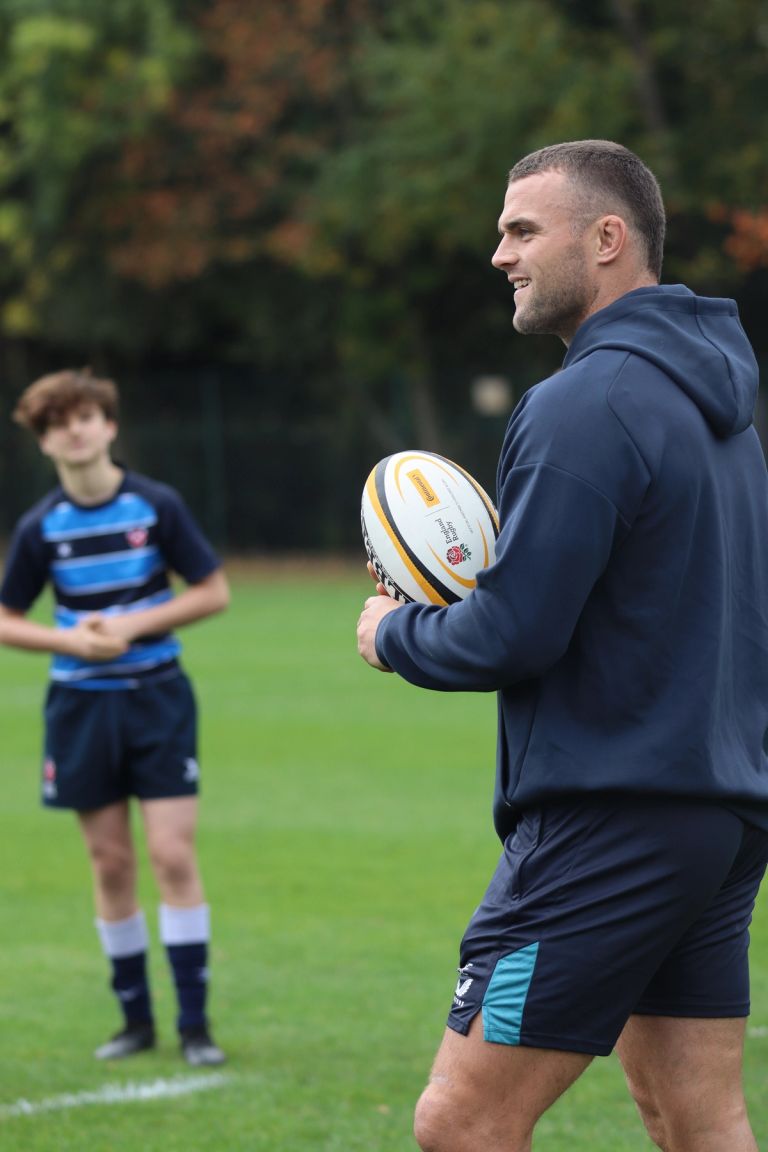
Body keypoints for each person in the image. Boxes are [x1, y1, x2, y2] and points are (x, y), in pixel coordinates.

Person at [357, 140, 768, 1152]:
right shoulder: (725, 413)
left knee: (461, 1121)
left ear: (608, 238)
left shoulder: (583, 404)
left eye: (522, 231)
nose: (501, 254)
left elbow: (513, 632)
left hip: (611, 822)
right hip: (718, 814)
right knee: (694, 1118)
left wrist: (394, 632)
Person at [0, 368, 230, 1067]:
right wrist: (69, 641)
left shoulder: (155, 506)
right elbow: (8, 618)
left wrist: (131, 626)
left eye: (83, 417)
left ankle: (195, 1025)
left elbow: (212, 591)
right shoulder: (41, 527)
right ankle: (135, 1021)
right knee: (109, 864)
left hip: (156, 698)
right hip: (80, 707)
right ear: (43, 441)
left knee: (171, 854)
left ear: (108, 426)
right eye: (56, 423)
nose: (72, 430)